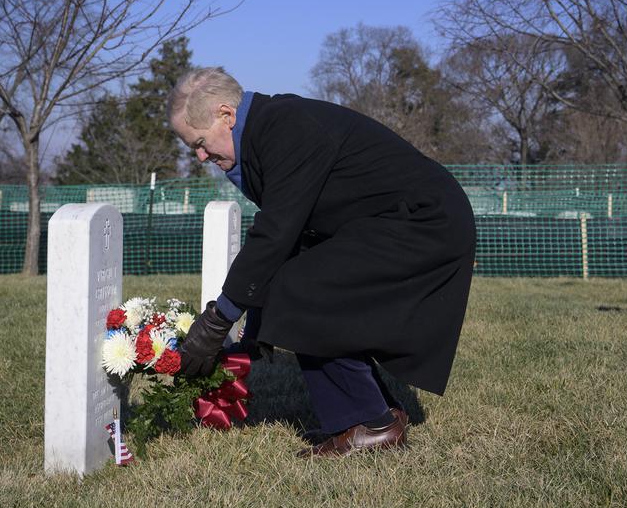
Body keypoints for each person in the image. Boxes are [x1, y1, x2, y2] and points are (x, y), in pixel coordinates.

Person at [167, 67, 476, 457]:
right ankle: (376, 414)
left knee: (305, 290)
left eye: (199, 142)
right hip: (398, 222)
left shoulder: (286, 127)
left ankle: (370, 424)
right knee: (305, 285)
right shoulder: (267, 131)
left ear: (226, 115)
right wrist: (257, 326)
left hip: (424, 223)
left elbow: (276, 232)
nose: (199, 156)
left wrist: (218, 321)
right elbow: (295, 236)